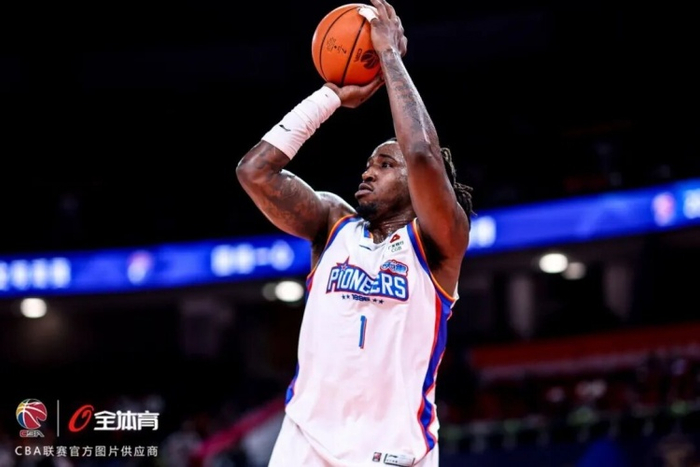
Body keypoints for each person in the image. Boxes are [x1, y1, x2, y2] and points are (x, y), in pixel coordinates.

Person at [236, 0, 473, 464]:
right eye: (368, 164)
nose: (367, 172)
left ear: (418, 185)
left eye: (384, 164)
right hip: (305, 444)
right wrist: (331, 96)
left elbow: (422, 155)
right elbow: (254, 172)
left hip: (393, 451)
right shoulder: (333, 224)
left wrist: (389, 57)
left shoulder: (440, 243)